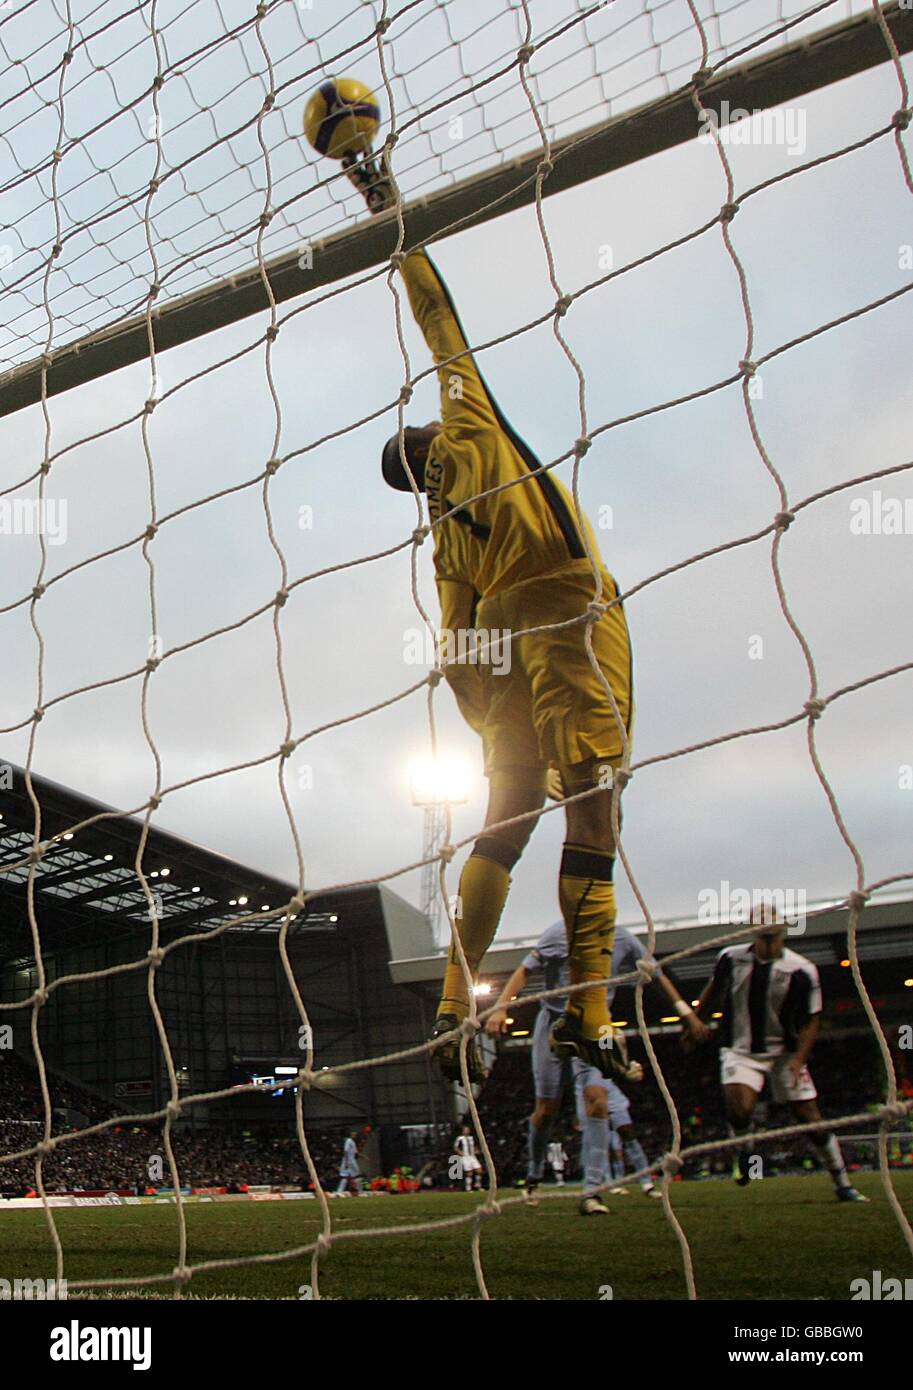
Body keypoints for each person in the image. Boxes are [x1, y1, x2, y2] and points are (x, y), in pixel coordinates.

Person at [358, 180, 634, 1086]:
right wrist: (382, 198)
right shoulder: (468, 418)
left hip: (501, 644)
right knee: (593, 797)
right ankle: (592, 1008)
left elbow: (455, 638)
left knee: (505, 816)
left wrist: (491, 725)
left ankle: (451, 1001)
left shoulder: (441, 533)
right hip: (565, 602)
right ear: (425, 429)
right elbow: (437, 312)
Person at [487, 920, 708, 1213]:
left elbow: (656, 974)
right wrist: (501, 1007)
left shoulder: (623, 938)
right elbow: (524, 970)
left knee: (598, 1100)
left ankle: (592, 1191)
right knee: (546, 1110)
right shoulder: (557, 933)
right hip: (554, 1024)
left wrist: (687, 1014)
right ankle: (534, 1173)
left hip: (597, 1026)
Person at [692, 912, 868, 1203]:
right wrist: (696, 1020)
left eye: (773, 927)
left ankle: (842, 1182)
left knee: (810, 1118)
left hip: (785, 1054)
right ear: (752, 929)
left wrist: (799, 1058)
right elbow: (713, 989)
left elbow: (813, 1019)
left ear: (784, 930)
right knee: (739, 1110)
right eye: (761, 927)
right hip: (740, 1049)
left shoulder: (802, 969)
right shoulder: (730, 957)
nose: (768, 933)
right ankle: (745, 1151)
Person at [453, 1125, 483, 1192]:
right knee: (469, 1173)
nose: (467, 1131)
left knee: (479, 1170)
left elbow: (474, 1146)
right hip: (466, 1157)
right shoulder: (460, 1138)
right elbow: (455, 1147)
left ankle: (477, 1185)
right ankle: (468, 1188)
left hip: (472, 1156)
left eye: (468, 1130)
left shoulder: (471, 1138)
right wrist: (460, 1153)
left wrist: (476, 1150)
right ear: (463, 1131)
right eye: (465, 1130)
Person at [335, 1129, 361, 1197]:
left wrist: (364, 1157)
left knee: (349, 1176)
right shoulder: (348, 1141)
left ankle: (340, 1191)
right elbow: (346, 1152)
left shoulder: (353, 1142)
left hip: (351, 1161)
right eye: (353, 1134)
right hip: (349, 1161)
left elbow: (356, 1152)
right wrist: (346, 1162)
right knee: (354, 1175)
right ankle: (359, 1191)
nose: (354, 1135)